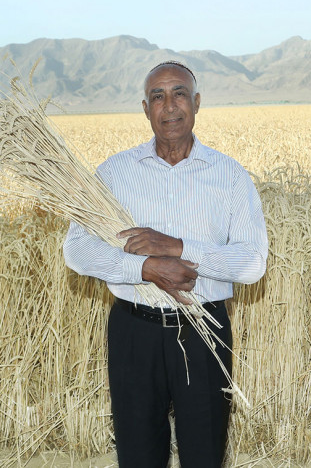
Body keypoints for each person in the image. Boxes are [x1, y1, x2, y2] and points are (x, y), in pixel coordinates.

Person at [63, 60, 268, 468]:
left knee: (205, 455)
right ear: (145, 108)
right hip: (134, 332)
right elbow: (76, 250)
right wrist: (145, 269)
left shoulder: (229, 175)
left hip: (204, 331)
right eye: (158, 96)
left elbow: (253, 263)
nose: (169, 105)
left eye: (179, 94)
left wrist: (179, 248)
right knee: (138, 455)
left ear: (197, 102)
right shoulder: (115, 173)